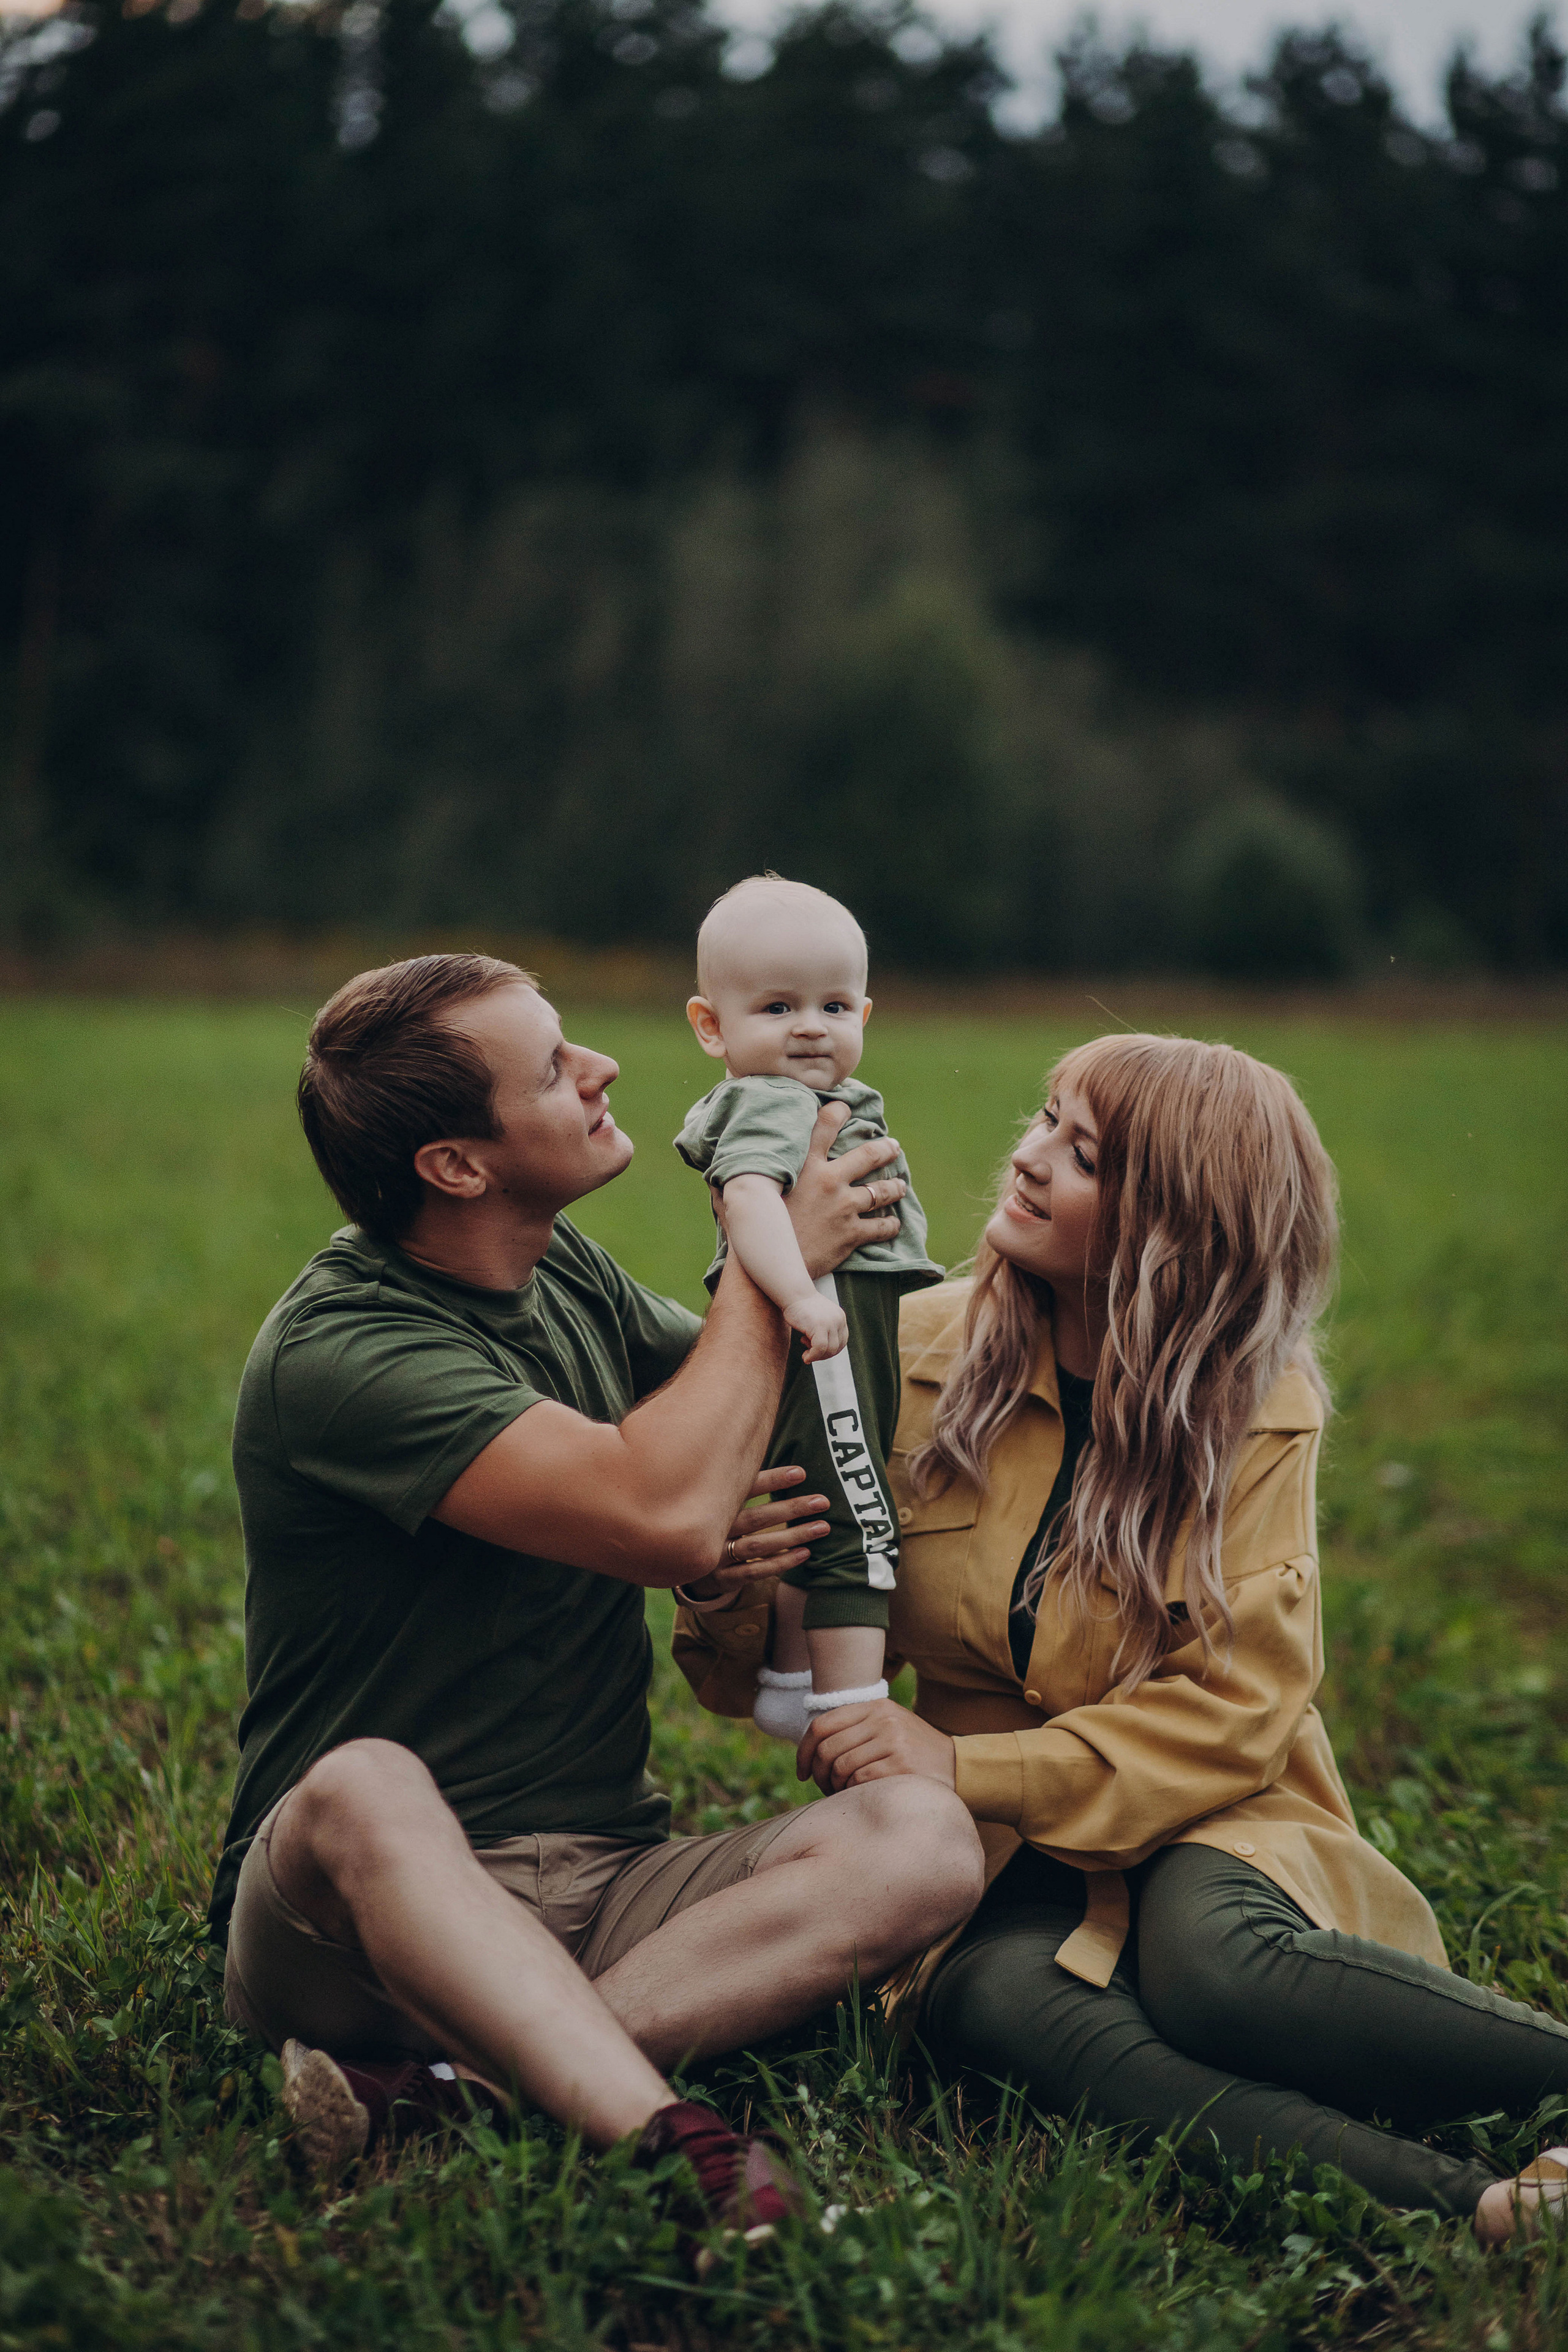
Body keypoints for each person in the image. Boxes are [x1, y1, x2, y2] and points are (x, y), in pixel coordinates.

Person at [677, 1031, 1568, 2245]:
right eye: (1044, 1118)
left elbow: (1235, 1710)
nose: (1028, 1158)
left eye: (1080, 1152)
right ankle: (1479, 2217)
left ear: (1174, 1225)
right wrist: (728, 1583)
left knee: (1217, 1968)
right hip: (984, 1850)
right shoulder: (898, 1352)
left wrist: (959, 1763)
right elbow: (765, 1676)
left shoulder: (1253, 1405)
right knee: (990, 2002)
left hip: (1203, 1798)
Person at [209, 952, 983, 2223]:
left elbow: (757, 1415)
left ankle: (463, 2095)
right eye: (554, 1066)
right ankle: (682, 2149)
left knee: (922, 1838)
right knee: (361, 1781)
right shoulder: (341, 1349)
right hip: (361, 1917)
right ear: (456, 1166)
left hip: (606, 1882)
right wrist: (762, 1256)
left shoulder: (557, 1268)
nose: (601, 1068)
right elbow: (667, 1509)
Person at [676, 876, 942, 1744]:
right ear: (712, 1026)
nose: (810, 1026)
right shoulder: (768, 1102)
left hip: (840, 1321)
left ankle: (793, 1677)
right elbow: (750, 1199)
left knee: (825, 1497)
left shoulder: (811, 1101)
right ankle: (848, 1713)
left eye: (834, 1005)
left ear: (866, 1011)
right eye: (778, 1005)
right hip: (822, 1322)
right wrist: (797, 1293)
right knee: (861, 1518)